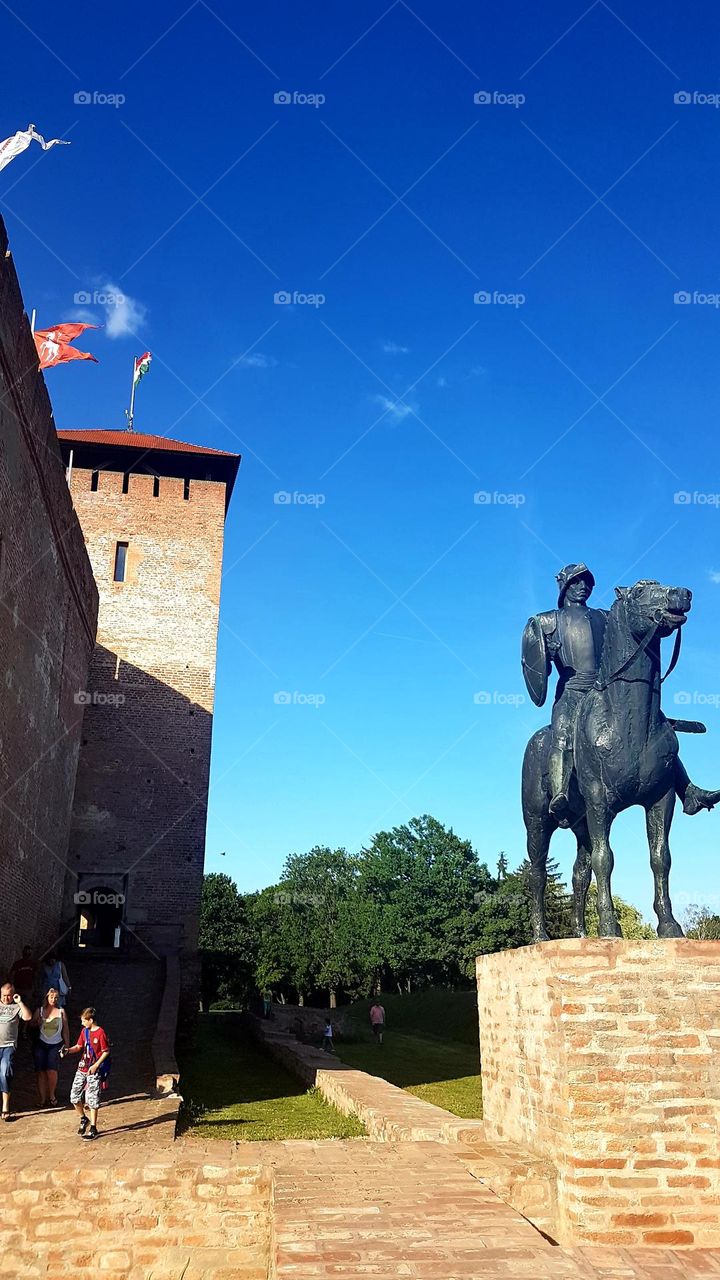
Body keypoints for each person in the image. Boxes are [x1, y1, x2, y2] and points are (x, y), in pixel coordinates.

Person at [522, 563, 720, 825]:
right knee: (562, 732)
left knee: (656, 730)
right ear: (565, 586)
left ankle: (688, 792)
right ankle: (560, 793)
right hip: (572, 691)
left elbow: (624, 641)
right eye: (576, 582)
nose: (583, 587)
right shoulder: (547, 621)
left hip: (605, 690)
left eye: (587, 582)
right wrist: (549, 653)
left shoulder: (604, 617)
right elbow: (537, 668)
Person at [60, 1007, 110, 1141]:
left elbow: (105, 1051)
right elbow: (78, 1046)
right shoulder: (84, 1032)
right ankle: (83, 1118)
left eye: (84, 1020)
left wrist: (96, 1065)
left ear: (91, 1020)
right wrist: (67, 1050)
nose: (82, 1023)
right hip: (82, 1068)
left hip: (94, 1071)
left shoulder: (100, 1033)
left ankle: (93, 1127)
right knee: (74, 1096)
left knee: (92, 1099)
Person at [0, 982, 33, 1120]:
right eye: (4, 995)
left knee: (5, 1072)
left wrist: (19, 1002)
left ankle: (5, 1106)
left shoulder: (16, 1007)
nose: (6, 998)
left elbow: (28, 1017)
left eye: (9, 995)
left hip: (8, 1045)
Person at [32, 988, 69, 1107]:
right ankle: (42, 1098)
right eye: (51, 997)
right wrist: (37, 1023)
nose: (54, 999)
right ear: (47, 998)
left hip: (56, 1044)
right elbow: (31, 1023)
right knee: (41, 1071)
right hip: (41, 1043)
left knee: (52, 1070)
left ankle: (52, 1094)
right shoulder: (40, 1010)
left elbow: (65, 1029)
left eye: (56, 997)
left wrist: (67, 1044)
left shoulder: (61, 1012)